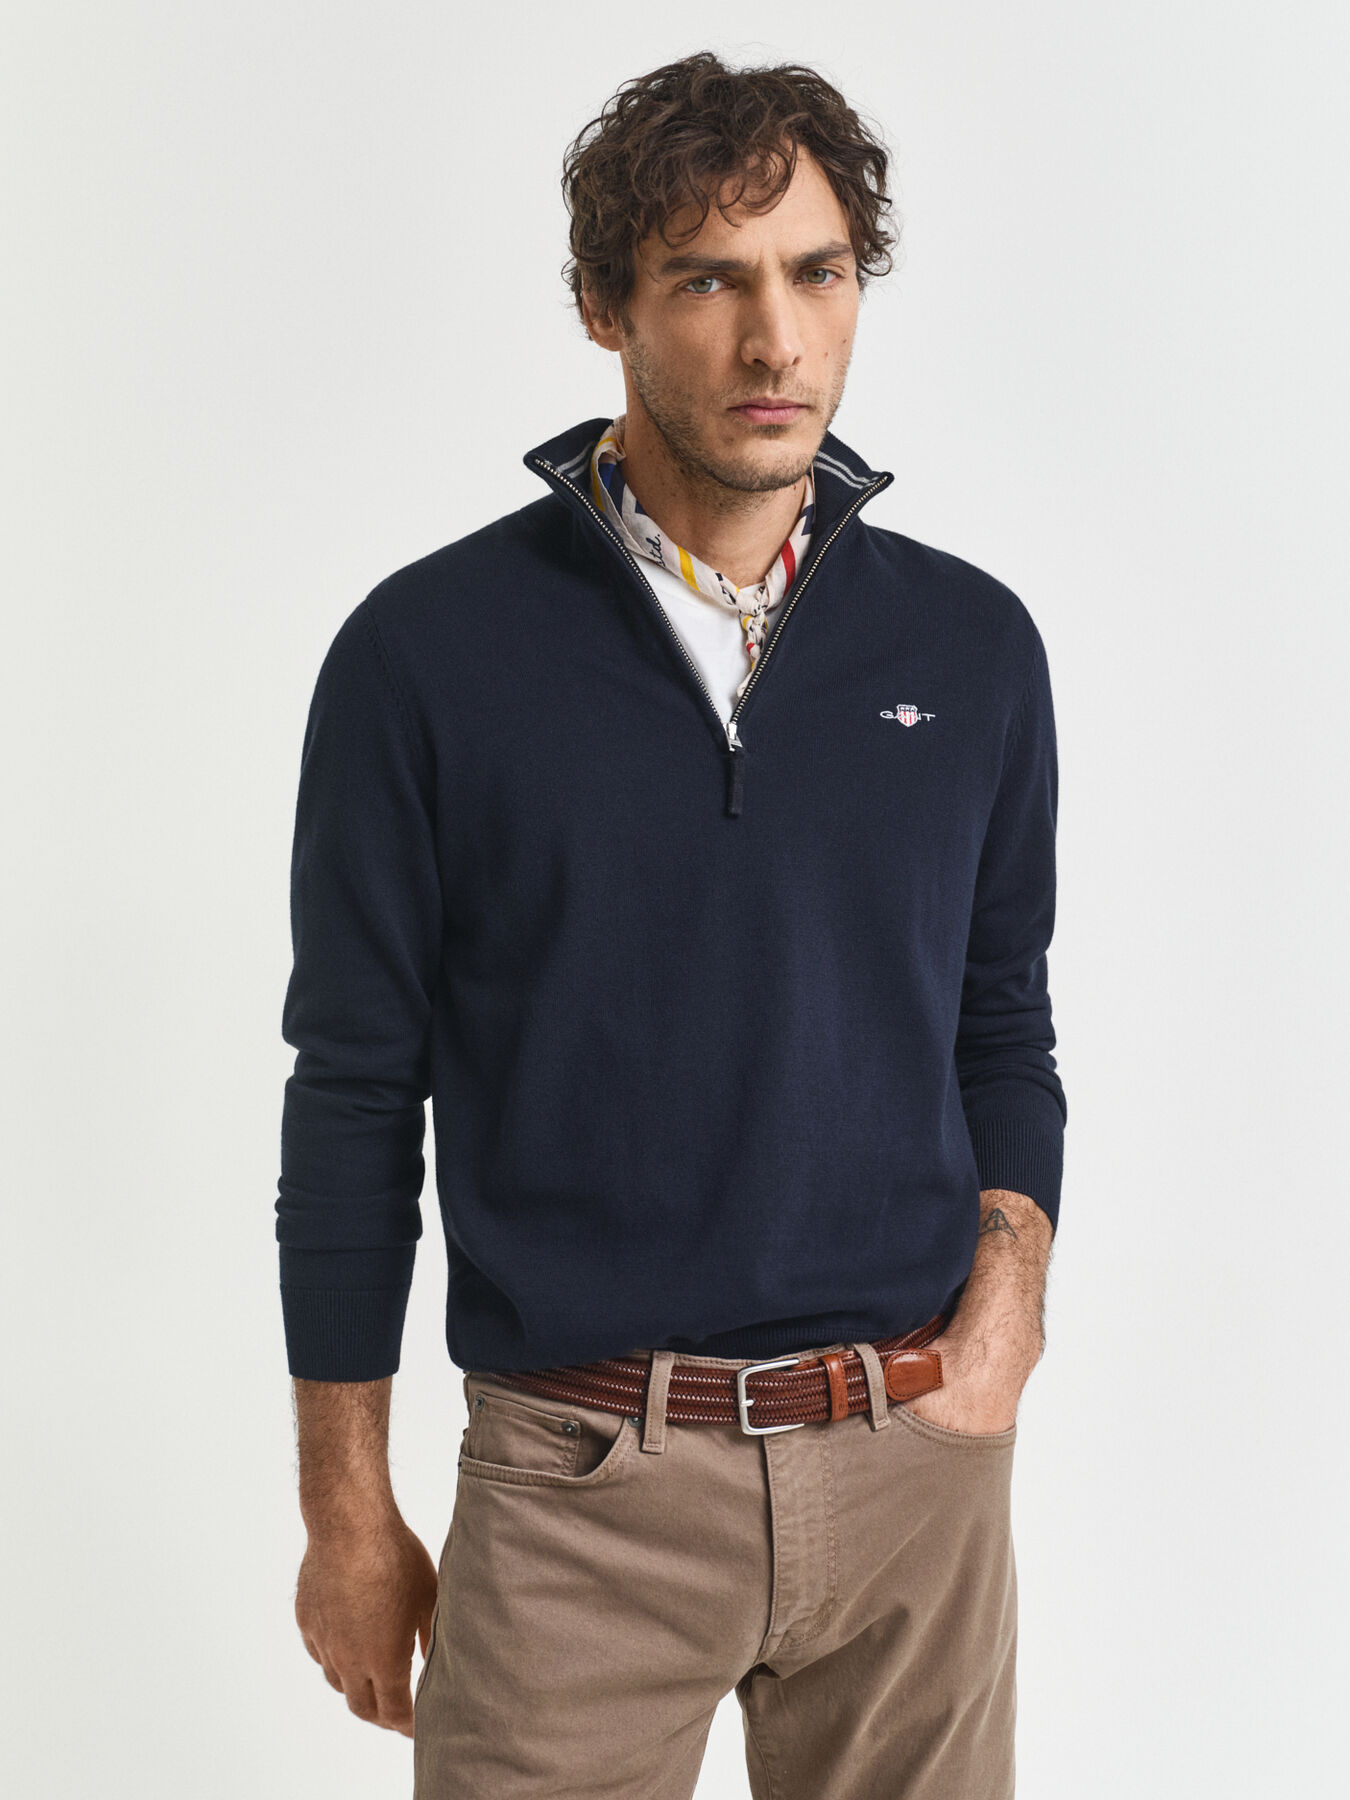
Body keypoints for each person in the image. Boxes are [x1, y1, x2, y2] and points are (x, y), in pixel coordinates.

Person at [277, 50, 1066, 1800]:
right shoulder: (427, 656)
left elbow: (1000, 1020)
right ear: (602, 306)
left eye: (817, 272)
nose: (776, 340)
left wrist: (1008, 1301)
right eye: (708, 281)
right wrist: (347, 1512)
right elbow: (353, 1099)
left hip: (913, 1468)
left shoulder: (972, 649)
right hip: (580, 1489)